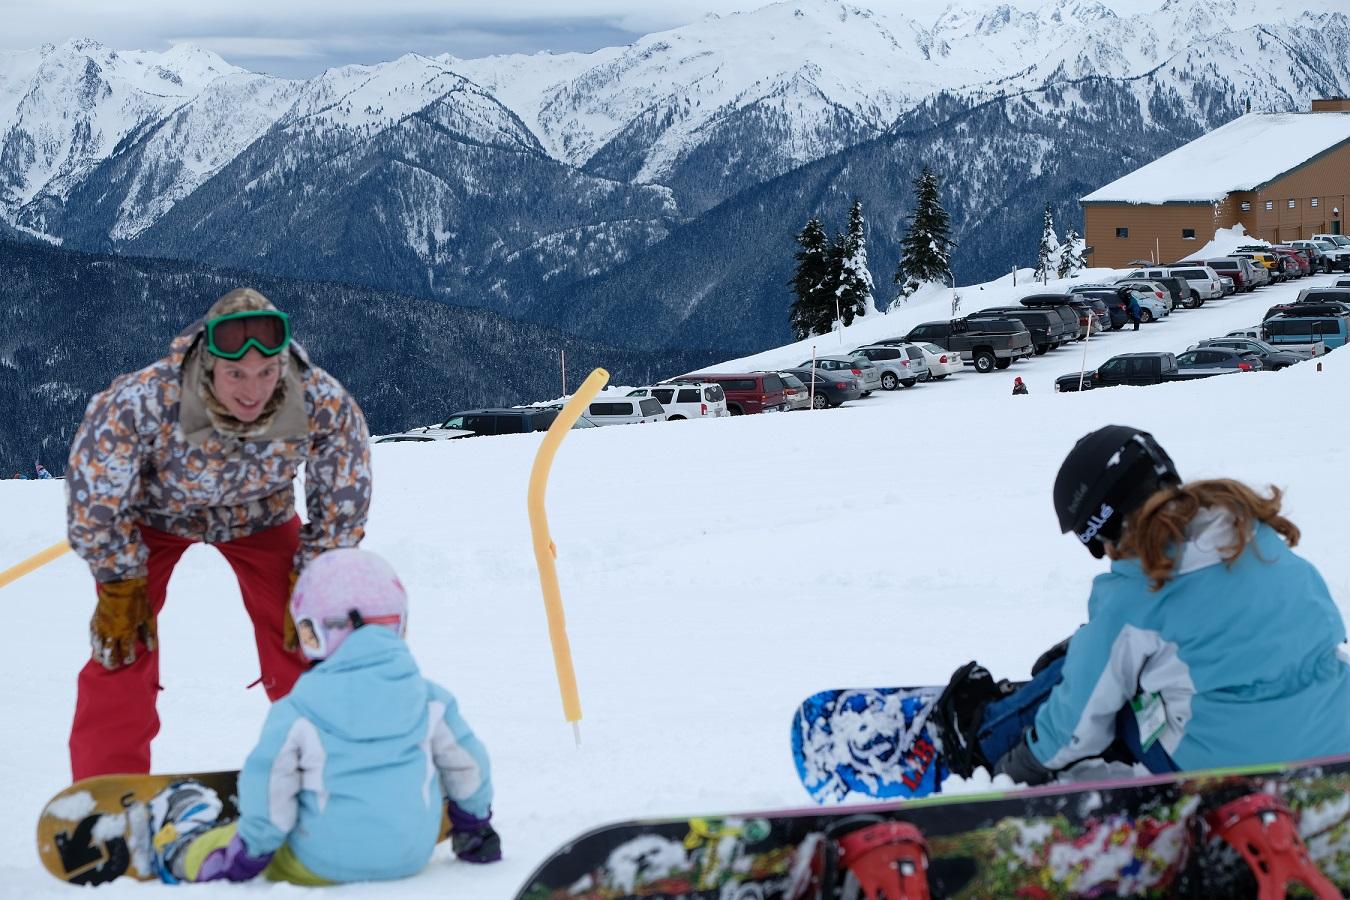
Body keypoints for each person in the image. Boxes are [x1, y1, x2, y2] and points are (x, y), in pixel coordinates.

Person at [65, 288, 372, 780]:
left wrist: (316, 569)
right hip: (157, 517)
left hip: (262, 515)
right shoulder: (144, 399)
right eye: (236, 374)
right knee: (124, 638)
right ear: (209, 366)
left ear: (283, 365)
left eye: (267, 373)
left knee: (307, 630)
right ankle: (108, 783)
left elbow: (343, 490)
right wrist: (118, 578)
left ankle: (329, 764)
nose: (253, 390)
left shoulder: (320, 399)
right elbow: (96, 494)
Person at [934, 425, 1350, 785]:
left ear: (1106, 524)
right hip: (1334, 742)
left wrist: (1016, 769)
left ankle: (985, 736)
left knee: (1100, 682)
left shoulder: (1134, 595)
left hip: (1228, 770)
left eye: (1097, 544)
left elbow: (1080, 721)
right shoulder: (1259, 540)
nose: (1105, 555)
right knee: (1114, 658)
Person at [146, 549, 500, 884]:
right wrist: (474, 829)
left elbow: (270, 785)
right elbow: (469, 766)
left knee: (224, 840)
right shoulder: (430, 699)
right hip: (411, 856)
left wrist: (251, 850)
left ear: (312, 633)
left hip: (321, 861)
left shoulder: (299, 711)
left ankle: (181, 845)